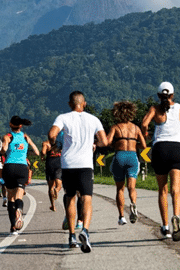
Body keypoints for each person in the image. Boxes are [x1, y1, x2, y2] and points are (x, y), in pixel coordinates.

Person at [48, 91, 108, 253]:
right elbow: (105, 141)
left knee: (70, 198)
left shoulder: (63, 117)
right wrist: (93, 143)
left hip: (68, 164)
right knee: (87, 199)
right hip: (85, 165)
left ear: (70, 104)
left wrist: (54, 144)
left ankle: (72, 236)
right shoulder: (93, 119)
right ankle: (85, 231)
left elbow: (52, 134)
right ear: (85, 104)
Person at [142, 81, 180, 241]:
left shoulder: (154, 109)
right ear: (172, 95)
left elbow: (144, 124)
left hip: (160, 150)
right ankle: (176, 216)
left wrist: (148, 134)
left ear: (159, 96)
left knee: (162, 190)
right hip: (177, 149)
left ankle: (165, 227)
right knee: (175, 190)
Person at [107, 101, 147, 225]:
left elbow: (107, 142)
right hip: (132, 157)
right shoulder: (136, 128)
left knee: (120, 189)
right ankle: (133, 204)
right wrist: (134, 144)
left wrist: (115, 144)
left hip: (120, 156)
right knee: (131, 187)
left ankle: (121, 217)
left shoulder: (116, 127)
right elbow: (144, 145)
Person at [1, 116, 40, 235]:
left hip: (9, 167)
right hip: (22, 167)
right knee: (19, 194)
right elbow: (37, 152)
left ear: (10, 124)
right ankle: (19, 209)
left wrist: (3, 151)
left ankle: (13, 226)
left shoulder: (8, 136)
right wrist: (26, 151)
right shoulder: (25, 137)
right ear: (21, 126)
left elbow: (3, 149)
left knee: (10, 197)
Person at [41, 134, 63, 212]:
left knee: (50, 186)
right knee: (59, 183)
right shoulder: (59, 144)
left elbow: (43, 153)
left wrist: (42, 156)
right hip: (58, 162)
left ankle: (53, 206)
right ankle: (57, 190)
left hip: (49, 163)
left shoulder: (46, 143)